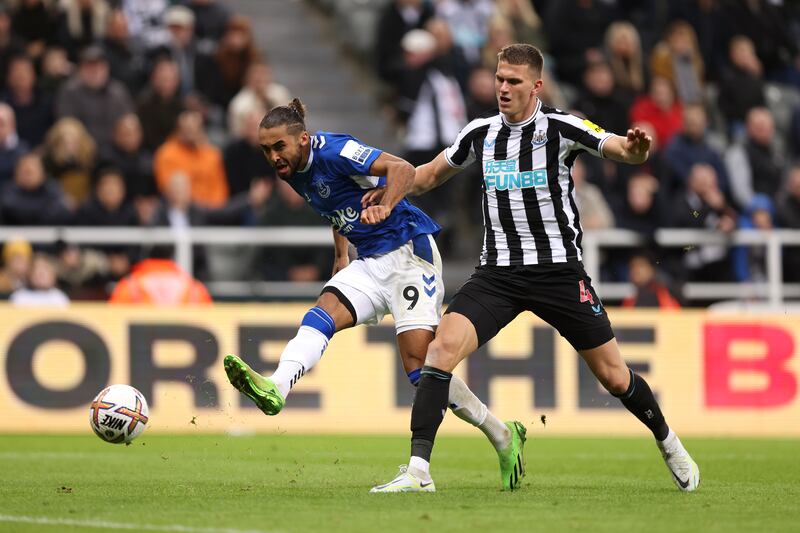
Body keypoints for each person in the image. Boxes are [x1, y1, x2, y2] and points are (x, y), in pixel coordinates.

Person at [370, 44, 699, 493]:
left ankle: (668, 440)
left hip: (559, 273)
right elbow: (427, 176)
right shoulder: (480, 133)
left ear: (536, 86)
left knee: (614, 376)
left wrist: (637, 151)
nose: (502, 88)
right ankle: (418, 472)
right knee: (438, 352)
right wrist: (388, 191)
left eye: (514, 81)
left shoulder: (561, 127)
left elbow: (619, 149)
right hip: (498, 276)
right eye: (499, 78)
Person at [222, 98, 526, 491]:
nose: (273, 157)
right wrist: (340, 254)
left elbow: (403, 169)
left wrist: (384, 203)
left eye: (279, 147)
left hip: (408, 255)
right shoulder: (294, 170)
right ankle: (277, 387)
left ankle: (495, 437)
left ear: (302, 139)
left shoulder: (336, 150)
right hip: (368, 261)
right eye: (266, 150)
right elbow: (335, 206)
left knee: (422, 371)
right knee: (323, 312)